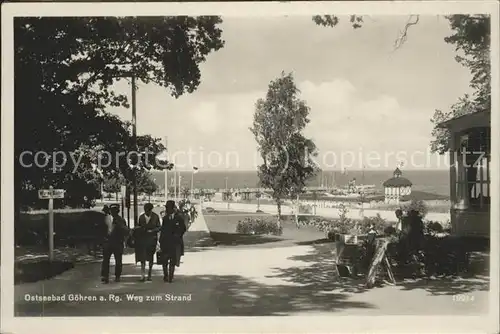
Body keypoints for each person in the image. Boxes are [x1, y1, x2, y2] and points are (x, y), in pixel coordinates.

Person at [100, 204, 129, 284]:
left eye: (115, 211)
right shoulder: (106, 218)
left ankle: (117, 276)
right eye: (112, 211)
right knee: (106, 260)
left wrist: (119, 225)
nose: (113, 212)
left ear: (118, 211)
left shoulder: (121, 220)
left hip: (117, 242)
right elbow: (101, 229)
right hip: (107, 241)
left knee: (118, 260)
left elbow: (126, 231)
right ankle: (105, 276)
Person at [159, 200, 187, 283]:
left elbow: (183, 229)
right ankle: (165, 275)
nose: (167, 209)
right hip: (165, 242)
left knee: (173, 260)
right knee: (164, 260)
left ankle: (170, 276)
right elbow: (163, 230)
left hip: (175, 242)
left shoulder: (179, 218)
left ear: (172, 208)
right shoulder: (165, 218)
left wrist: (178, 235)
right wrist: (160, 241)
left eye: (168, 208)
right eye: (166, 208)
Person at [133, 203, 161, 282]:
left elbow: (159, 227)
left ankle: (149, 274)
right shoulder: (141, 217)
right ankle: (142, 275)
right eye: (145, 210)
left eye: (148, 210)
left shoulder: (155, 217)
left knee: (151, 257)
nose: (146, 211)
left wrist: (152, 231)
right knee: (142, 257)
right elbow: (138, 226)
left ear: (151, 209)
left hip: (152, 239)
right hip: (143, 239)